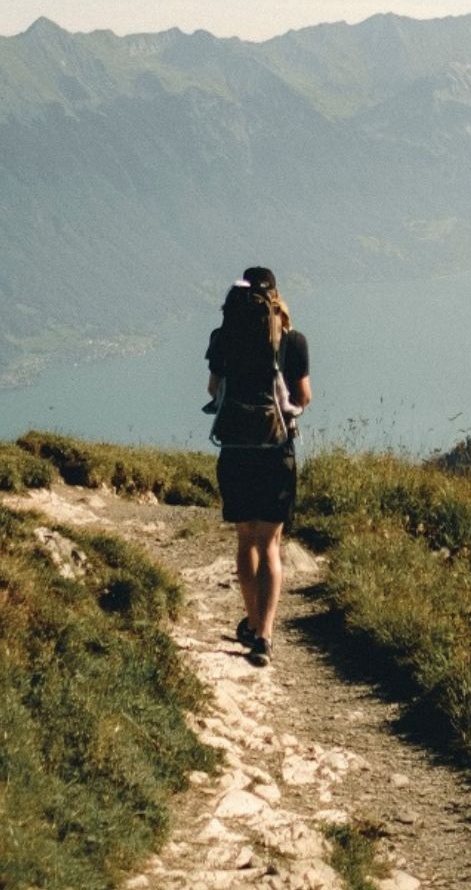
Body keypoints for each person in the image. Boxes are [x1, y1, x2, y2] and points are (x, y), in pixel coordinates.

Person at [205, 266, 311, 667]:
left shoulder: (223, 337)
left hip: (234, 450)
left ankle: (251, 622)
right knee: (271, 545)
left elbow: (214, 389)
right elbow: (303, 397)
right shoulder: (293, 341)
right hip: (275, 451)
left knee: (245, 540)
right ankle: (264, 636)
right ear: (276, 297)